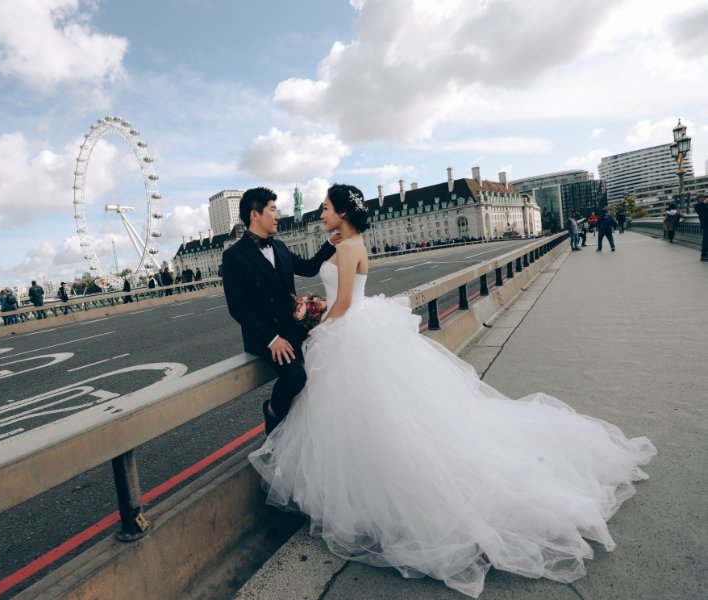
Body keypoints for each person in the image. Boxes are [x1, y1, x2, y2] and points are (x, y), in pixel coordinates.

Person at [248, 183, 655, 598]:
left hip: (349, 330)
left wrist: (314, 328)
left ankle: (375, 503)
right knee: (378, 418)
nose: (321, 213)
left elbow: (345, 304)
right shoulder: (345, 241)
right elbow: (327, 275)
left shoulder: (349, 247)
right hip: (358, 331)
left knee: (366, 418)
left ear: (344, 214)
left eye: (327, 207)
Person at [222, 186, 339, 435]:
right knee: (296, 377)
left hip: (291, 328)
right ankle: (273, 418)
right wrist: (272, 339)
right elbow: (237, 307)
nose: (278, 215)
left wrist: (330, 244)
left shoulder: (280, 247)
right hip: (265, 336)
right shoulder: (234, 256)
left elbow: (308, 268)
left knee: (324, 366)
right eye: (273, 210)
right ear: (255, 215)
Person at [695, 195, 708, 261]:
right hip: (705, 225)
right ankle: (703, 255)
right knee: (706, 240)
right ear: (698, 199)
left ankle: (705, 254)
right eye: (702, 198)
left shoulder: (705, 205)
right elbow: (702, 207)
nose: (703, 198)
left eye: (704, 197)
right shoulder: (697, 206)